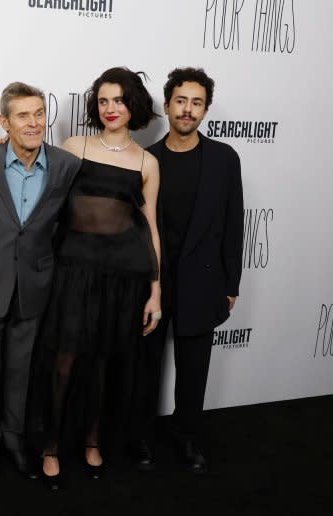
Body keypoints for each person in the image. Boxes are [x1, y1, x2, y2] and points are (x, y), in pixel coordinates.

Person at [27, 67, 162, 491]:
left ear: (134, 105)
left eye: (119, 100)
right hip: (72, 271)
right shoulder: (74, 146)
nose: (110, 108)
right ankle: (51, 445)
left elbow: (151, 227)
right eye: (103, 100)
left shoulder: (147, 162)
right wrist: (9, 144)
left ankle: (93, 440)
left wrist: (155, 291)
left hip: (122, 278)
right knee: (64, 361)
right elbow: (35, 177)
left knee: (104, 363)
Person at [0, 82, 82, 488]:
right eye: (22, 116)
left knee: (20, 370)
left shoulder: (66, 165)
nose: (33, 123)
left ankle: (14, 442)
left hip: (34, 284)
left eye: (38, 114)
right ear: (4, 122)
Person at [134, 67, 243, 474]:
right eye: (181, 101)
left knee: (194, 370)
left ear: (206, 110)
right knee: (145, 366)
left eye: (197, 102)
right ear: (167, 106)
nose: (188, 109)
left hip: (203, 281)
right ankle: (141, 438)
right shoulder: (148, 159)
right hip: (153, 284)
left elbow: (234, 224)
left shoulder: (224, 158)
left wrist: (231, 283)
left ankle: (188, 438)